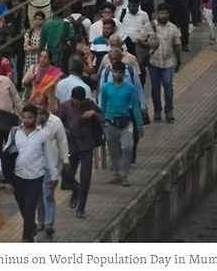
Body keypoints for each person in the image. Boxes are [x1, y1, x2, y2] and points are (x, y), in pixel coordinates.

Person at [4, 103, 58, 243]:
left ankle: (27, 238)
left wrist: (54, 174)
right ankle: (31, 227)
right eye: (25, 117)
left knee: (29, 207)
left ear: (36, 118)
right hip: (18, 176)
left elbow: (49, 157)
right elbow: (6, 151)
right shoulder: (14, 133)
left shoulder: (42, 136)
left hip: (35, 177)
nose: (27, 120)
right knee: (23, 207)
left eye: (30, 118)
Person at [57, 86, 103, 218]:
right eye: (77, 101)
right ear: (72, 98)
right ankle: (75, 190)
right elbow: (59, 122)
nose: (79, 104)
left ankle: (81, 207)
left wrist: (93, 114)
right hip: (71, 145)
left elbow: (102, 119)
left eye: (81, 101)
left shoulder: (90, 104)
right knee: (67, 174)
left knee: (86, 176)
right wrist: (63, 130)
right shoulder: (65, 106)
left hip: (87, 145)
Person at [99, 61, 143, 186]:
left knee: (127, 147)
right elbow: (102, 106)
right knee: (113, 151)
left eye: (119, 72)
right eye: (115, 72)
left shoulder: (130, 89)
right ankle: (117, 174)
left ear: (123, 74)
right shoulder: (106, 88)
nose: (117, 74)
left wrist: (139, 125)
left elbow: (135, 107)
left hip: (126, 122)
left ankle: (124, 174)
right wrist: (101, 124)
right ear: (112, 72)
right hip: (110, 123)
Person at [33, 94, 69, 238]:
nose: (38, 107)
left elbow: (62, 141)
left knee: (47, 194)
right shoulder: (30, 122)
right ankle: (40, 220)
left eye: (41, 104)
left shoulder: (55, 122)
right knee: (38, 195)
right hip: (35, 166)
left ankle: (49, 223)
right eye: (36, 104)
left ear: (46, 105)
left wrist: (65, 161)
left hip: (50, 165)